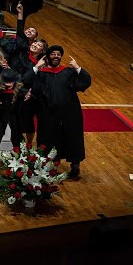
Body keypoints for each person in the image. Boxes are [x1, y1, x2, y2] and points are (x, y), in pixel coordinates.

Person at [31, 46, 90, 178]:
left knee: (72, 137)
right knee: (49, 138)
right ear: (48, 57)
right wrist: (37, 67)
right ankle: (49, 166)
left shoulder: (68, 72)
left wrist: (77, 67)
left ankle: (75, 166)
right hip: (49, 113)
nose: (56, 56)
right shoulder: (42, 74)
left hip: (70, 112)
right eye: (53, 54)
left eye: (58, 54)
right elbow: (33, 87)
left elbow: (85, 82)